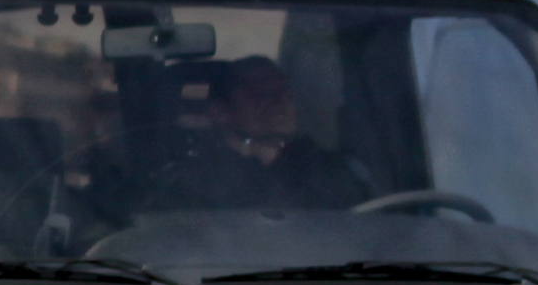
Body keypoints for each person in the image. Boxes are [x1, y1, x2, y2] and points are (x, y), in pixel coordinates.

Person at [139, 54, 367, 213]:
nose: (280, 101)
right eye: (261, 93)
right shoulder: (191, 184)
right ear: (220, 111)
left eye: (284, 91)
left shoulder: (334, 171)